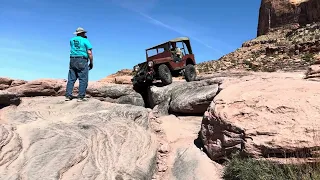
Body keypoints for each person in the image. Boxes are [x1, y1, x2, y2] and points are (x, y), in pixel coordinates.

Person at [65, 27, 93, 102]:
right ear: (82, 33)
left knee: (71, 79)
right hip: (82, 59)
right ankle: (80, 96)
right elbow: (89, 52)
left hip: (72, 59)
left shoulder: (71, 40)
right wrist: (91, 62)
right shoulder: (85, 40)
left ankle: (68, 95)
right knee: (83, 79)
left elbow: (74, 47)